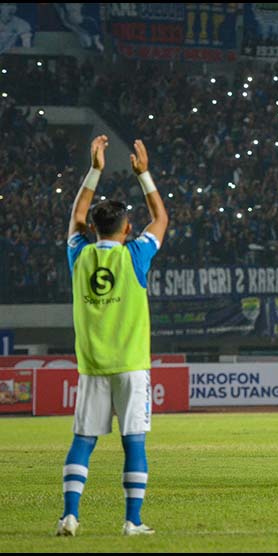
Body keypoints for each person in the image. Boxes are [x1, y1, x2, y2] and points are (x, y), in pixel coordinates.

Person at [56, 136, 168, 537]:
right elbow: (162, 218)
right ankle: (132, 521)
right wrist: (144, 174)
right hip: (132, 367)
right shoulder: (134, 255)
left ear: (92, 228)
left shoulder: (79, 255)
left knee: (83, 440)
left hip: (93, 367)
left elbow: (76, 216)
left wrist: (95, 169)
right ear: (127, 228)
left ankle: (70, 516)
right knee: (133, 442)